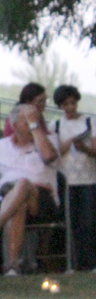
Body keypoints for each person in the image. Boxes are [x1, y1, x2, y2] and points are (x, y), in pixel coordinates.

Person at [0, 103, 59, 275]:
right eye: (29, 121)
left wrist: (34, 127)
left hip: (41, 199)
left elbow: (49, 156)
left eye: (37, 121)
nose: (35, 125)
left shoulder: (49, 141)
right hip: (10, 197)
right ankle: (12, 266)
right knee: (19, 203)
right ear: (14, 125)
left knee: (24, 183)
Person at [50, 84, 96, 271]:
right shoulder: (56, 125)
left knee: (89, 221)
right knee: (71, 222)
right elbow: (52, 154)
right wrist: (68, 145)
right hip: (66, 180)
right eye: (65, 104)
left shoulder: (90, 122)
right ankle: (73, 262)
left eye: (72, 103)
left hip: (89, 178)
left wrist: (84, 149)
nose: (70, 107)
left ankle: (91, 262)